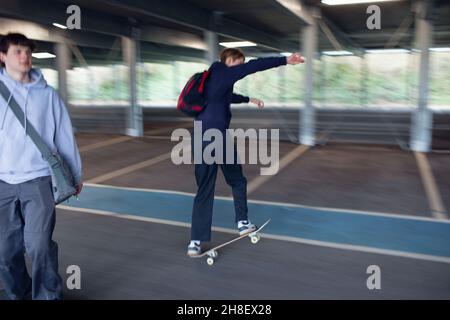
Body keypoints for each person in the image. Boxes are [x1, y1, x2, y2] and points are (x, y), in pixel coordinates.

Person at [188, 48, 304, 256]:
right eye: (239, 63)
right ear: (230, 60)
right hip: (218, 137)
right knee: (237, 180)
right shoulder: (226, 71)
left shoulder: (211, 77)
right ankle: (242, 222)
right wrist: (286, 60)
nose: (241, 67)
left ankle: (195, 243)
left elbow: (226, 97)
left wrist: (249, 99)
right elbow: (255, 66)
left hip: (200, 135)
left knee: (204, 188)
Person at [0, 33, 82, 299]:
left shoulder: (48, 95)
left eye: (27, 52)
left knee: (39, 246)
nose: (24, 57)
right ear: (3, 57)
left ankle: (47, 295)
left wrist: (76, 174)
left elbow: (64, 137)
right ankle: (17, 295)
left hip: (38, 181)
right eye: (18, 52)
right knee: (5, 251)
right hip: (2, 183)